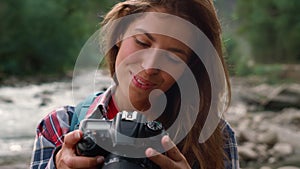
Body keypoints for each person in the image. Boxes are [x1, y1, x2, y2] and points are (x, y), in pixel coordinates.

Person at [30, 0, 239, 169]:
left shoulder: (216, 137)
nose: (150, 67)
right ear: (119, 34)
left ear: (189, 66)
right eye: (141, 42)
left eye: (173, 58)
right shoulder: (60, 126)